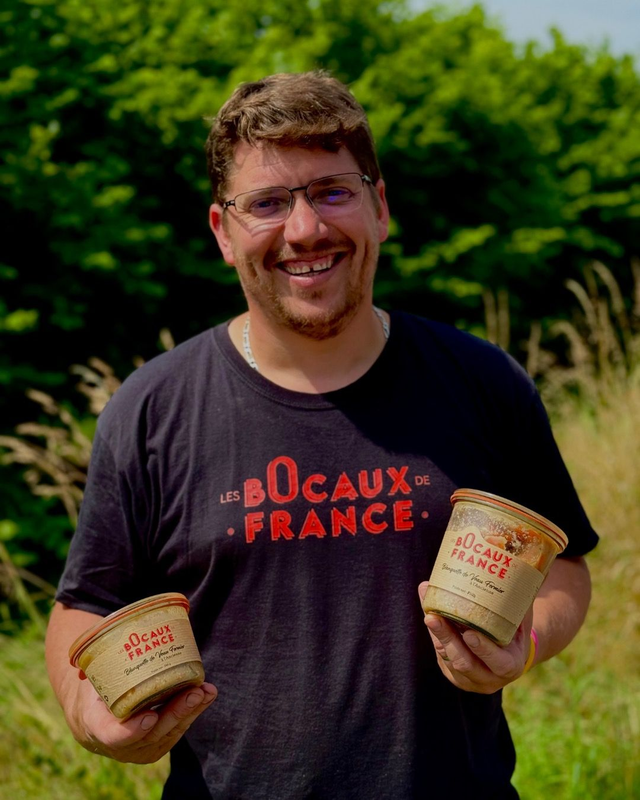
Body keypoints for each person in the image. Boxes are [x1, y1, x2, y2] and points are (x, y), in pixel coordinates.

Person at [45, 71, 598, 799]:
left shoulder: (481, 381)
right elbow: (86, 602)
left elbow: (561, 567)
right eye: (267, 203)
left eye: (332, 191)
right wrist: (92, 714)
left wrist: (525, 644)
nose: (305, 229)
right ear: (222, 232)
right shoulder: (150, 410)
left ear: (380, 207)